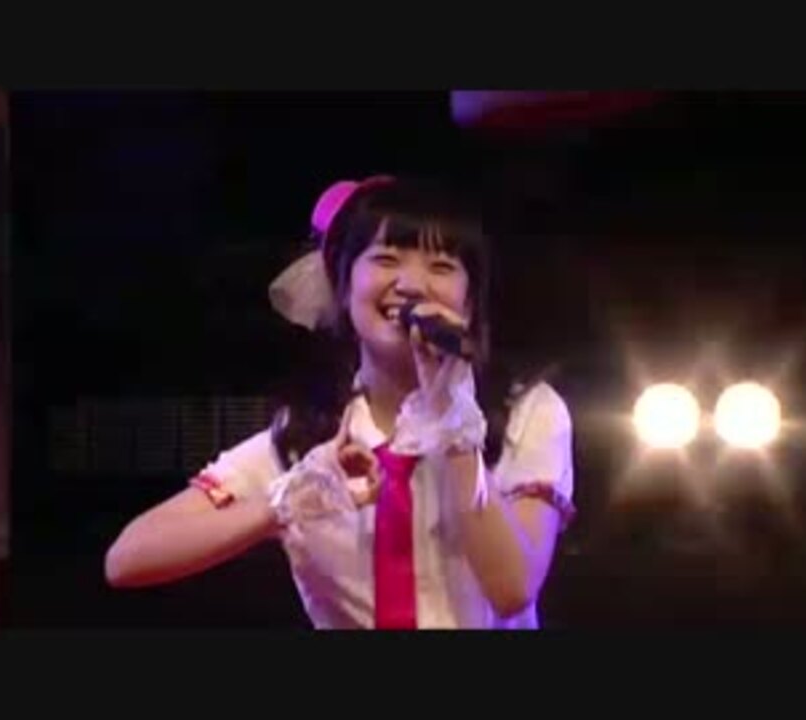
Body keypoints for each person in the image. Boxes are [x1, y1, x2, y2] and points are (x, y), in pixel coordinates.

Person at [104, 175, 576, 629]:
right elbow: (127, 559)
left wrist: (453, 420)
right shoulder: (310, 438)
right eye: (386, 258)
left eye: (442, 266)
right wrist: (282, 504)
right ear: (343, 287)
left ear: (470, 303)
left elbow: (512, 588)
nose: (411, 285)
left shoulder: (526, 412)